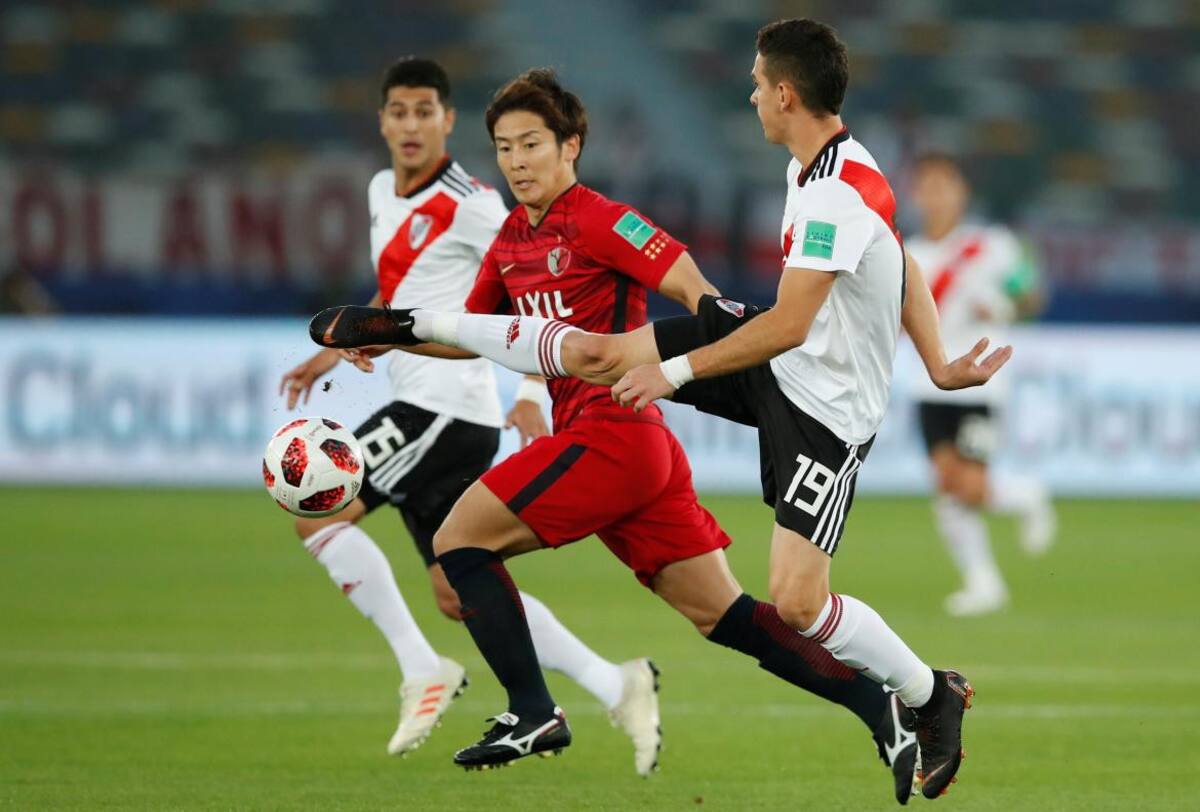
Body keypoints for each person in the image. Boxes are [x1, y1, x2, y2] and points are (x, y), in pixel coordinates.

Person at [314, 22, 1013, 800]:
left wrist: (675, 367)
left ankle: (927, 693)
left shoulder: (820, 194)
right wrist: (392, 335)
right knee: (711, 589)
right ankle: (878, 709)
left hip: (821, 411)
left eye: (758, 84)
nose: (751, 95)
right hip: (769, 371)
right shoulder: (813, 170)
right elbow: (897, 257)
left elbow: (781, 319)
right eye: (504, 147)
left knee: (796, 599)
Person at [277, 57, 663, 774]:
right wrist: (337, 350)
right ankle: (616, 683)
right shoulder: (381, 190)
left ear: (447, 121)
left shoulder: (477, 203)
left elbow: (531, 290)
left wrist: (531, 392)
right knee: (460, 591)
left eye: (425, 111)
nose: (411, 125)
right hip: (423, 401)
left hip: (444, 406)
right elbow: (402, 285)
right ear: (382, 121)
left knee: (316, 508)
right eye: (399, 111)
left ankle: (422, 669)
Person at [906, 152, 1055, 616]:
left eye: (944, 186)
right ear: (915, 195)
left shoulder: (990, 245)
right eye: (928, 187)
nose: (936, 196)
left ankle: (1027, 496)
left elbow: (1032, 294)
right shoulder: (908, 254)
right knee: (947, 483)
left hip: (981, 385)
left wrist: (1004, 306)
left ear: (962, 192)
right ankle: (982, 583)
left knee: (970, 485)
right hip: (929, 381)